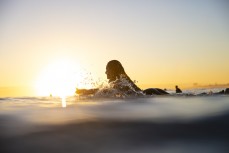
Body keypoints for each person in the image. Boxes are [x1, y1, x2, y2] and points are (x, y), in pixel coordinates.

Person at [76, 60, 169, 95]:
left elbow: (102, 91)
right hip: (150, 91)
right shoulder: (122, 81)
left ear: (113, 70)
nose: (105, 72)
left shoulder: (118, 83)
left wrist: (85, 91)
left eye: (107, 70)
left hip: (149, 92)